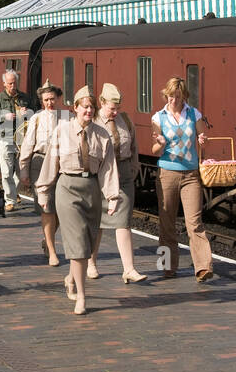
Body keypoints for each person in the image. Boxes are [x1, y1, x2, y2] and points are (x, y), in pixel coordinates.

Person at [36, 87, 119, 314]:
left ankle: (71, 278)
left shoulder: (102, 135)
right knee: (78, 244)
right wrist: (43, 192)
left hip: (91, 189)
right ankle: (82, 297)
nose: (89, 111)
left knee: (89, 244)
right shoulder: (62, 131)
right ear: (75, 108)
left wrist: (112, 197)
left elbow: (108, 168)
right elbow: (51, 162)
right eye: (85, 107)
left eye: (92, 107)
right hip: (67, 188)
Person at [151, 77, 215, 283]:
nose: (173, 101)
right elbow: (154, 150)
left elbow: (201, 138)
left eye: (177, 97)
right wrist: (160, 144)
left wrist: (202, 140)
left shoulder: (194, 114)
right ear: (165, 96)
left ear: (184, 96)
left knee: (194, 222)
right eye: (170, 97)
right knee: (166, 221)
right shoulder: (157, 117)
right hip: (166, 174)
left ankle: (203, 267)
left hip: (190, 175)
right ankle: (167, 267)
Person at [88, 83, 147, 284]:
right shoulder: (93, 122)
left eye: (118, 108)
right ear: (102, 102)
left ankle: (129, 269)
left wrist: (134, 167)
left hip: (124, 175)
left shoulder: (125, 120)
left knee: (124, 222)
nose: (115, 112)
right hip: (102, 176)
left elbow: (134, 146)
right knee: (98, 223)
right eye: (112, 108)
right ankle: (91, 263)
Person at [19, 82, 71, 266]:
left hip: (61, 165)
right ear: (41, 101)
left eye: (52, 99)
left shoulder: (67, 118)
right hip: (40, 165)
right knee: (47, 208)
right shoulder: (37, 119)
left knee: (61, 210)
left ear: (58, 99)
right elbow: (27, 145)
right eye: (46, 100)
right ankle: (52, 250)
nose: (49, 103)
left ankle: (47, 240)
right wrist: (24, 171)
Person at [0, 70, 32, 212]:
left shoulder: (25, 97)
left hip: (21, 138)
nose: (12, 85)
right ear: (4, 84)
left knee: (22, 172)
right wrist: (4, 116)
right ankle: (10, 201)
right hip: (5, 137)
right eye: (9, 83)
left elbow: (34, 114)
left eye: (14, 82)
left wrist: (28, 113)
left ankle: (13, 193)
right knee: (7, 172)